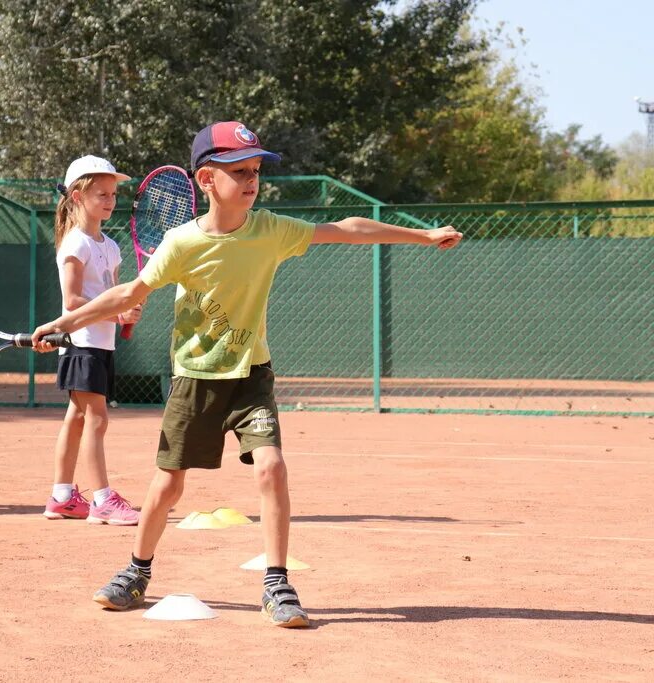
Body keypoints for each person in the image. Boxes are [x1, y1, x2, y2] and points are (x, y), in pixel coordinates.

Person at [31, 122, 463, 627]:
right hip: (195, 377)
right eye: (240, 171)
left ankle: (277, 584)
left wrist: (422, 235)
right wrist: (63, 322)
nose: (252, 180)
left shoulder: (271, 230)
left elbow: (347, 228)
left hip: (251, 374)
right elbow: (128, 294)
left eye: (256, 170)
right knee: (168, 486)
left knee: (271, 467)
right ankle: (136, 571)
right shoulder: (181, 243)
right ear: (207, 179)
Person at [43, 156, 142, 525]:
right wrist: (116, 312)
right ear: (77, 195)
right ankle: (102, 500)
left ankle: (61, 496)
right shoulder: (75, 243)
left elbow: (113, 294)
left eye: (113, 193)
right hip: (80, 341)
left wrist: (127, 309)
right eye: (102, 193)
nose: (110, 200)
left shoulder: (112, 247)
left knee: (79, 418)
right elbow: (71, 301)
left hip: (102, 343)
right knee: (96, 419)